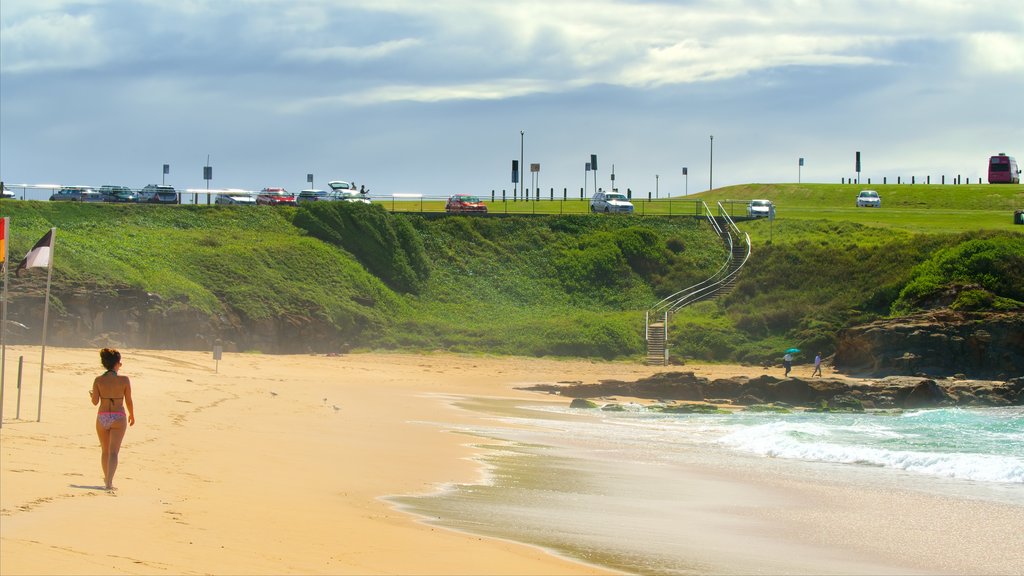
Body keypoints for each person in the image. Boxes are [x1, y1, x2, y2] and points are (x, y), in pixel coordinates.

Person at [90, 348, 135, 490]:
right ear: (116, 364)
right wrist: (132, 414)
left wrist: (92, 394)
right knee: (114, 452)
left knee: (105, 450)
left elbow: (94, 402)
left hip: (103, 416)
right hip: (118, 416)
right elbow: (128, 400)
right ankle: (109, 482)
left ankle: (106, 479)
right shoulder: (124, 380)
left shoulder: (98, 380)